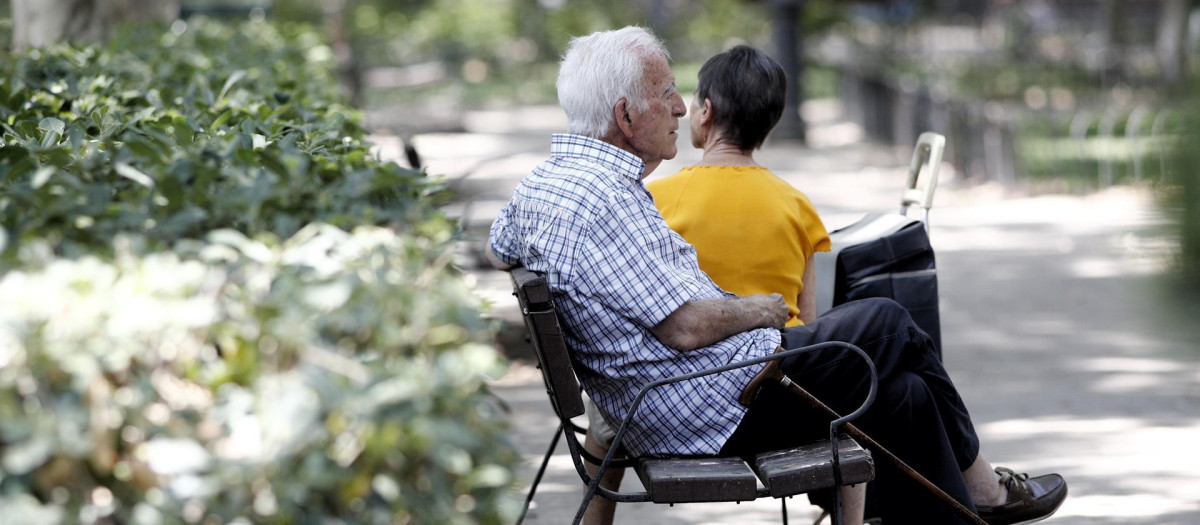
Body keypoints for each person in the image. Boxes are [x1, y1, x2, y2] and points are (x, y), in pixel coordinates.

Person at [487, 27, 1067, 525]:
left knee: (905, 395)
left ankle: (969, 508)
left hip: (682, 394)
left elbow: (498, 247)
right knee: (888, 323)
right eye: (667, 94)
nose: (681, 108)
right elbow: (685, 328)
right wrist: (761, 309)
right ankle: (987, 490)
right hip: (713, 404)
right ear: (625, 114)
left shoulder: (546, 184)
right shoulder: (604, 200)